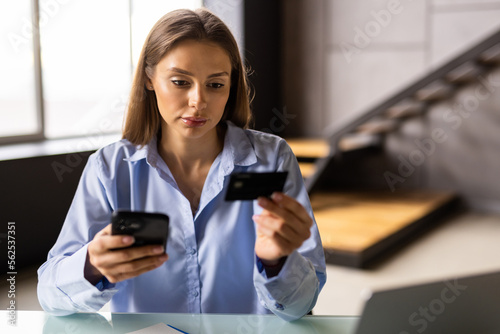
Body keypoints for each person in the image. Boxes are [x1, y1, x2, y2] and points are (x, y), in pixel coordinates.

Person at [37, 8, 326, 321]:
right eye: (179, 81)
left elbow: (300, 306)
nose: (198, 101)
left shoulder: (273, 159)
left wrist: (277, 263)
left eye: (216, 85)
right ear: (149, 78)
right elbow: (50, 296)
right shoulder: (110, 168)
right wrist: (92, 264)